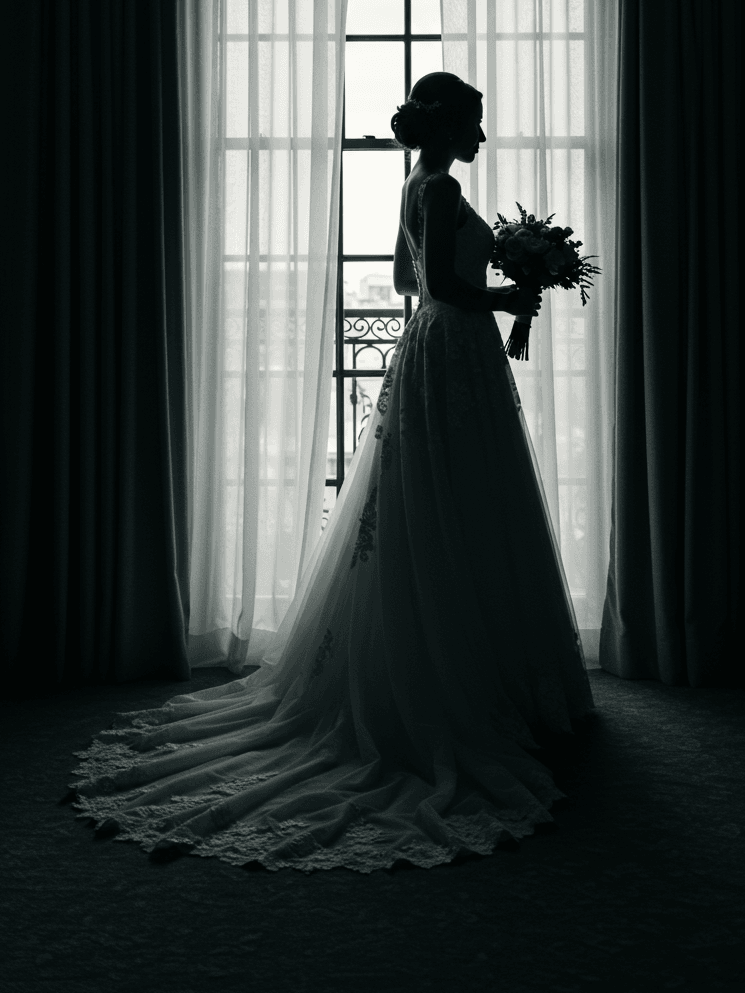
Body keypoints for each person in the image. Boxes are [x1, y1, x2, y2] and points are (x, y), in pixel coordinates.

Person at [67, 72, 596, 874]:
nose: (482, 138)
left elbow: (401, 284)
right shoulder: (441, 187)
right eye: (476, 124)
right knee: (463, 503)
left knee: (439, 502)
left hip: (433, 346)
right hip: (452, 350)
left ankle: (476, 666)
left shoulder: (417, 183)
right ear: (449, 125)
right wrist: (514, 290)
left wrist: (499, 290)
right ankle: (468, 684)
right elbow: (446, 286)